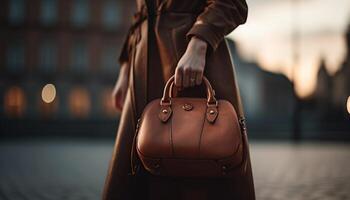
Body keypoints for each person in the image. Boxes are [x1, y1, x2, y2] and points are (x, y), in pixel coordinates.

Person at [103, 0, 255, 199]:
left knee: (192, 170)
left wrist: (199, 43)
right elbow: (141, 13)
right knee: (132, 175)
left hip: (189, 60)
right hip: (141, 66)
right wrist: (126, 69)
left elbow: (231, 3)